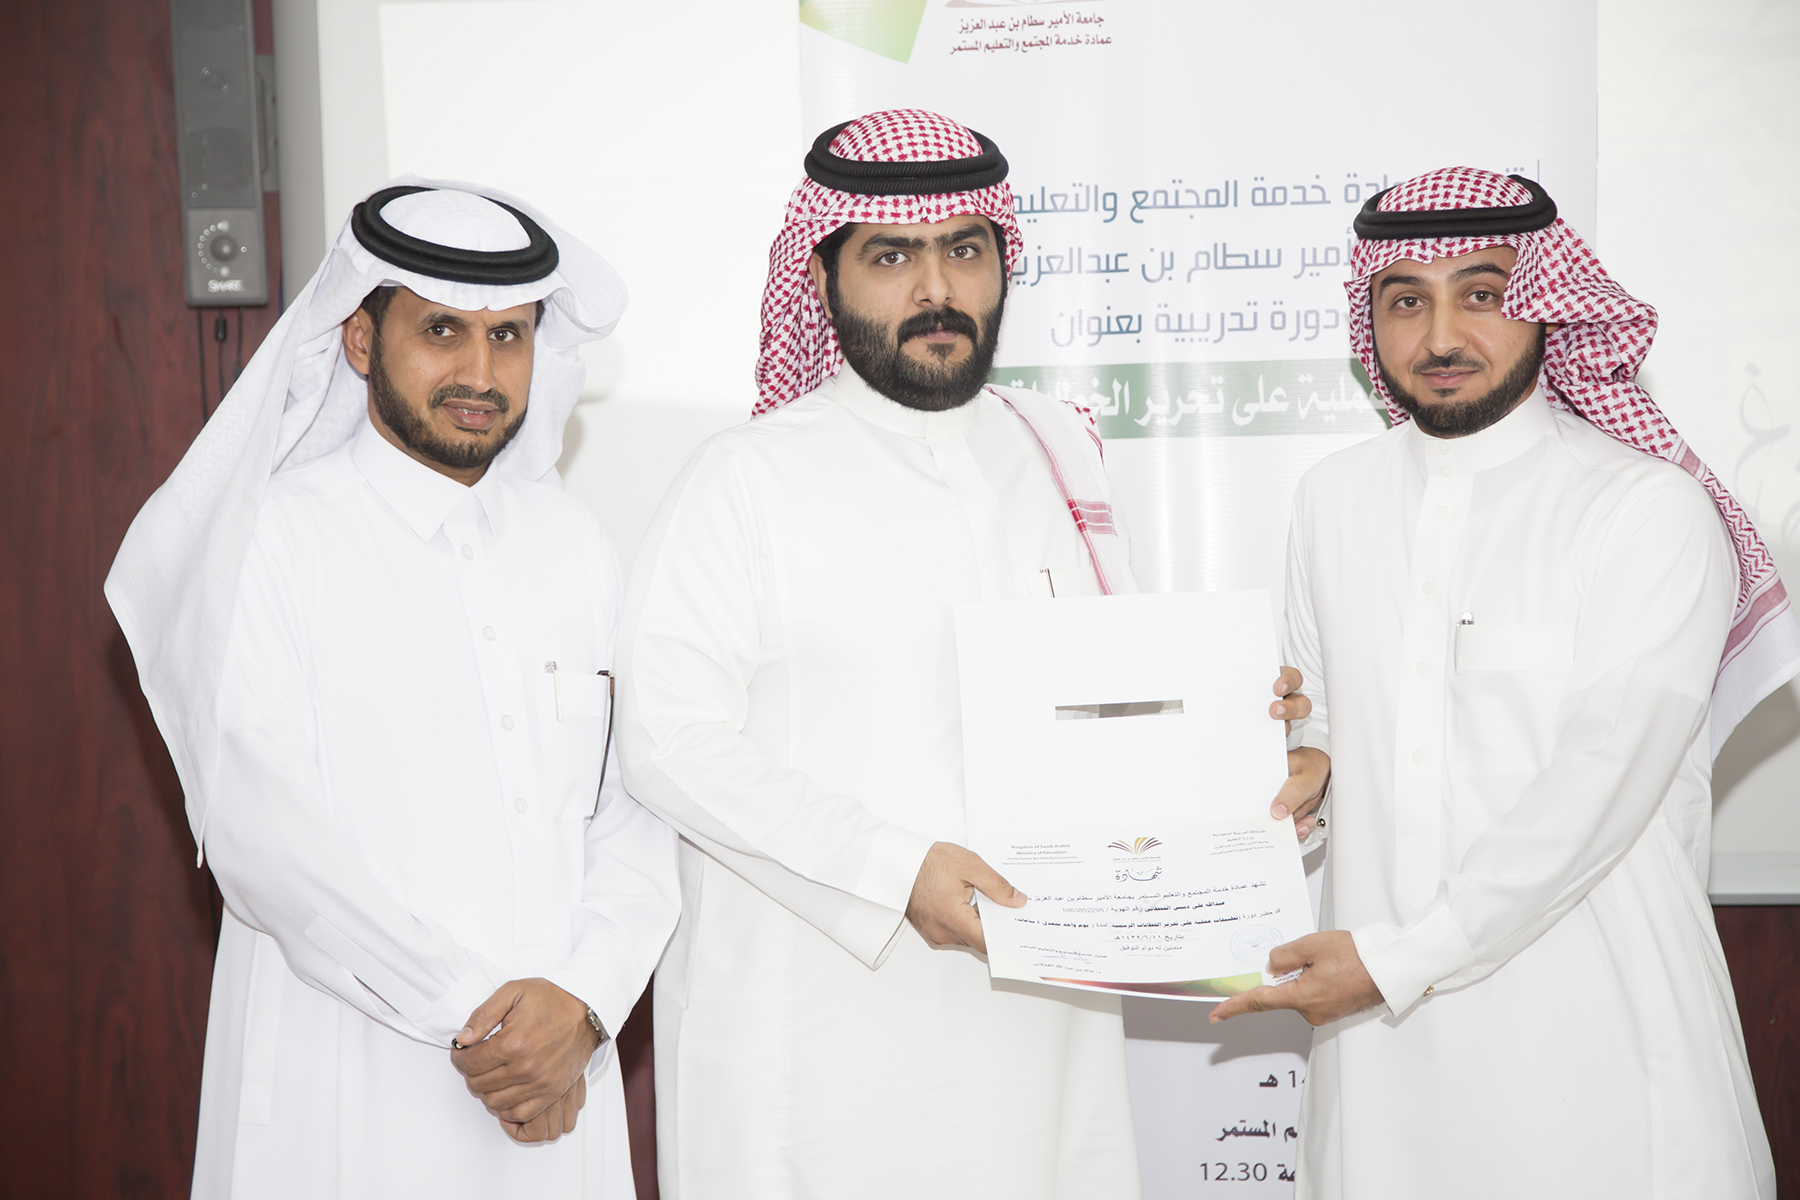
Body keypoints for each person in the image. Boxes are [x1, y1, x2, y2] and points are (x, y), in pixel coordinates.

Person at [614, 109, 1328, 1200]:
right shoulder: (743, 478)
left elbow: (1116, 710)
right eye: (891, 257)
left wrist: (1244, 763)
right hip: (820, 1036)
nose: (936, 288)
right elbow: (666, 740)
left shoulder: (1055, 450)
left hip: (1045, 1028)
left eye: (965, 249)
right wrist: (896, 869)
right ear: (822, 276)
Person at [1211, 166, 1799, 1198]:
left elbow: (1598, 787)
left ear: (1544, 302)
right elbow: (1332, 726)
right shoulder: (1332, 500)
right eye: (1406, 301)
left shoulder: (1644, 509)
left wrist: (1397, 960)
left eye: (1481, 294)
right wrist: (1306, 775)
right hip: (1382, 1058)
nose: (1441, 336)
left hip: (1599, 1035)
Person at [106, 182, 679, 1198]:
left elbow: (633, 814)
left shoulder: (575, 546)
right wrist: (487, 1023)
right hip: (352, 1067)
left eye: (509, 336)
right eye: (442, 330)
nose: (480, 372)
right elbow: (264, 839)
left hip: (553, 1078)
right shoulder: (274, 541)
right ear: (362, 338)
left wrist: (584, 1007)